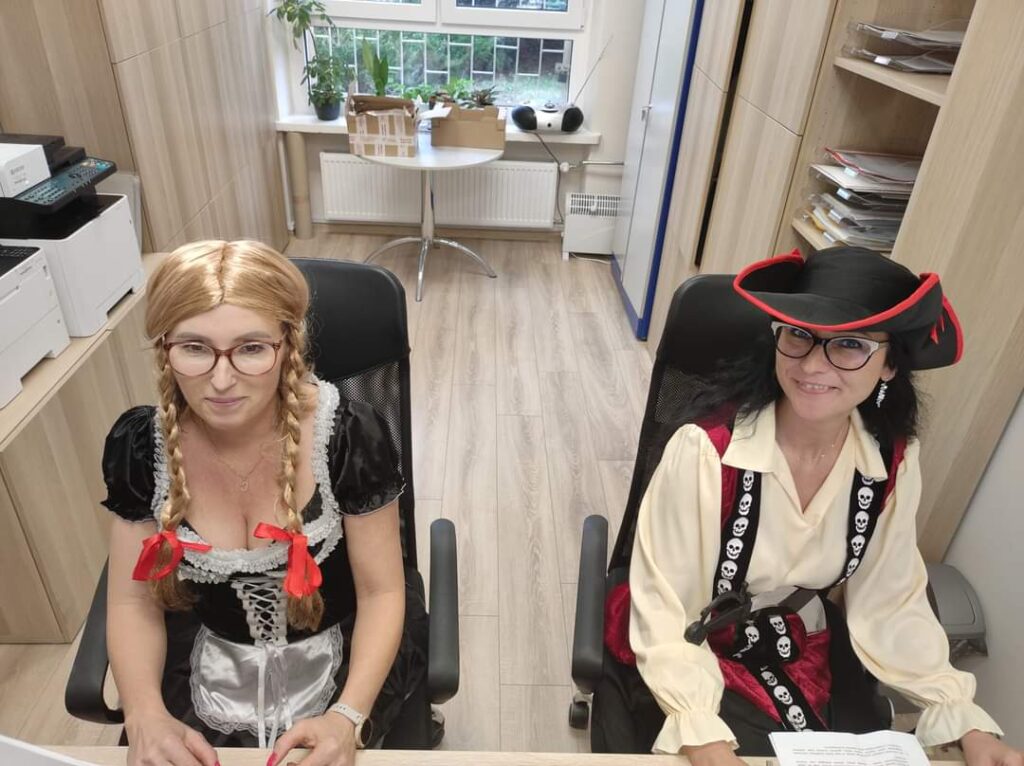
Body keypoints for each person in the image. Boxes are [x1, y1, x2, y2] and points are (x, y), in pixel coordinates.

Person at [628, 247, 1021, 765]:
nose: (813, 364)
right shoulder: (705, 452)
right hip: (692, 652)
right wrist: (701, 732)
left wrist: (962, 716)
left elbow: (890, 601)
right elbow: (667, 608)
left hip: (806, 647)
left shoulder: (890, 464)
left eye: (851, 345)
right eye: (798, 335)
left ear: (890, 365)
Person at [101, 240, 425, 766]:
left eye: (251, 348)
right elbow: (131, 602)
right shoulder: (142, 446)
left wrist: (347, 717)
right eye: (195, 348)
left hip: (345, 656)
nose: (221, 380)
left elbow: (383, 591)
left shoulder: (347, 436)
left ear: (288, 344)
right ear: (165, 348)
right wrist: (143, 713)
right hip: (205, 657)